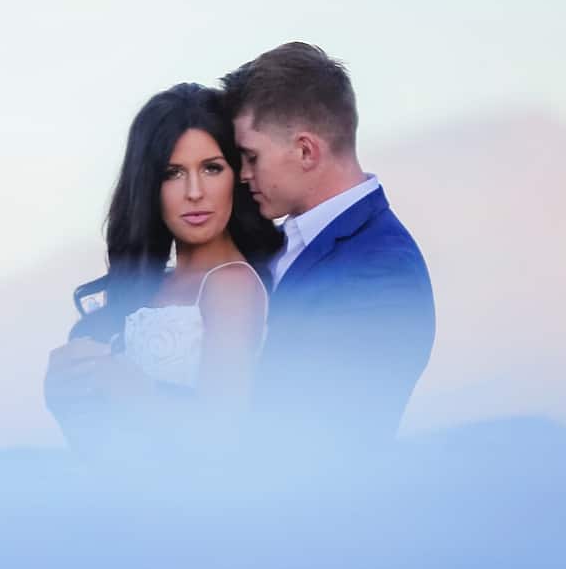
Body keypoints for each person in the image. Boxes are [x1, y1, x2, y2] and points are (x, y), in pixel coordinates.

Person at [43, 84, 283, 452]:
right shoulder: (157, 284)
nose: (194, 191)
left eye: (212, 168)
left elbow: (222, 438)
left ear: (236, 175)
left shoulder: (230, 283)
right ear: (149, 186)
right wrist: (64, 397)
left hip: (192, 505)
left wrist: (129, 389)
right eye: (172, 173)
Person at [221, 42, 435, 445]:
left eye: (251, 157)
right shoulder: (277, 240)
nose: (243, 175)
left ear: (305, 150)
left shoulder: (384, 273)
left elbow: (319, 431)